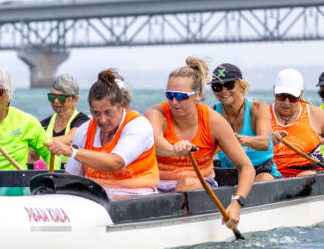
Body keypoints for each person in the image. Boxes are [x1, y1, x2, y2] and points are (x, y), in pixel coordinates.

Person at [144, 57, 254, 231]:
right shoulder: (156, 113)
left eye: (180, 96)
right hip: (155, 186)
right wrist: (173, 150)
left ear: (197, 95)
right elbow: (154, 142)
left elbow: (247, 167)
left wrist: (236, 203)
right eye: (169, 95)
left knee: (186, 183)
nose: (173, 102)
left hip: (199, 186)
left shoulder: (213, 121)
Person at [45, 69, 159, 198]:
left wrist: (71, 151)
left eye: (108, 112)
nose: (102, 120)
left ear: (121, 104)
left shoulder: (138, 125)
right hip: (96, 196)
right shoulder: (85, 130)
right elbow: (71, 178)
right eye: (96, 113)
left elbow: (115, 163)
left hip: (136, 196)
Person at [210, 63, 280, 181]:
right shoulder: (213, 113)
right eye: (217, 87)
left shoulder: (258, 108)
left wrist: (242, 139)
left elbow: (264, 142)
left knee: (264, 179)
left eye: (229, 85)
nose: (223, 91)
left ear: (241, 86)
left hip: (261, 170)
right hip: (229, 173)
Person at [269, 68, 324, 177]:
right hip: (272, 174)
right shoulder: (261, 114)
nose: (286, 102)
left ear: (301, 94)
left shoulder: (317, 115)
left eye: (292, 98)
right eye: (281, 96)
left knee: (306, 177)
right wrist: (267, 139)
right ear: (275, 91)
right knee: (264, 178)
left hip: (309, 173)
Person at [28, 74, 89, 170]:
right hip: (48, 177)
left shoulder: (83, 121)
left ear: (75, 100)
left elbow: (70, 139)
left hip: (73, 177)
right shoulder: (43, 124)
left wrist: (39, 144)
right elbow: (32, 154)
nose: (56, 101)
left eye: (61, 98)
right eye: (52, 97)